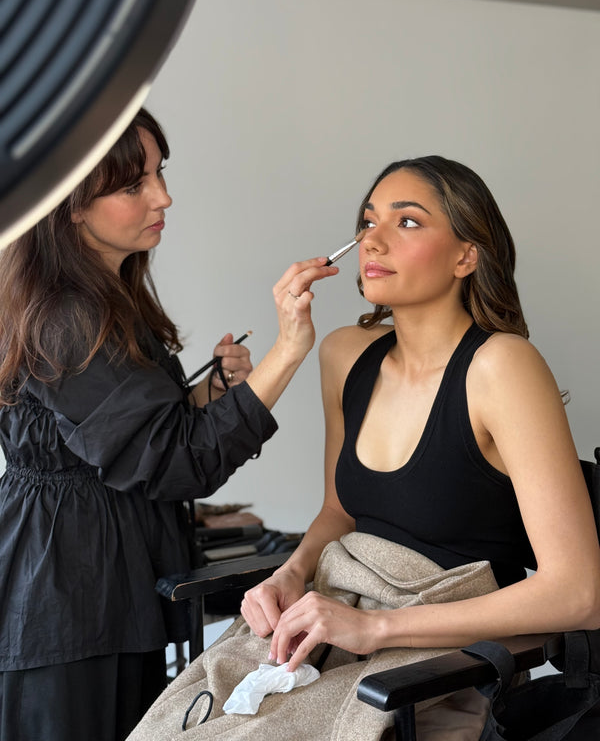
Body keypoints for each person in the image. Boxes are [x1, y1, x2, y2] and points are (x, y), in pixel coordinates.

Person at [0, 107, 339, 741]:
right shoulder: (65, 316)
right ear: (70, 205)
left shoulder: (106, 294)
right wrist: (288, 351)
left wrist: (209, 395)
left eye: (160, 173)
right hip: (68, 594)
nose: (163, 196)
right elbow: (177, 462)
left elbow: (126, 432)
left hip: (106, 580)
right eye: (134, 185)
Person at [236, 155, 600, 731]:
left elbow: (579, 594)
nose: (372, 240)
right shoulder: (344, 353)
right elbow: (339, 511)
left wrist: (374, 629)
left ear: (466, 256)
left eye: (407, 221)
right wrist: (291, 572)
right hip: (335, 628)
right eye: (368, 220)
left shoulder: (502, 367)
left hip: (441, 675)